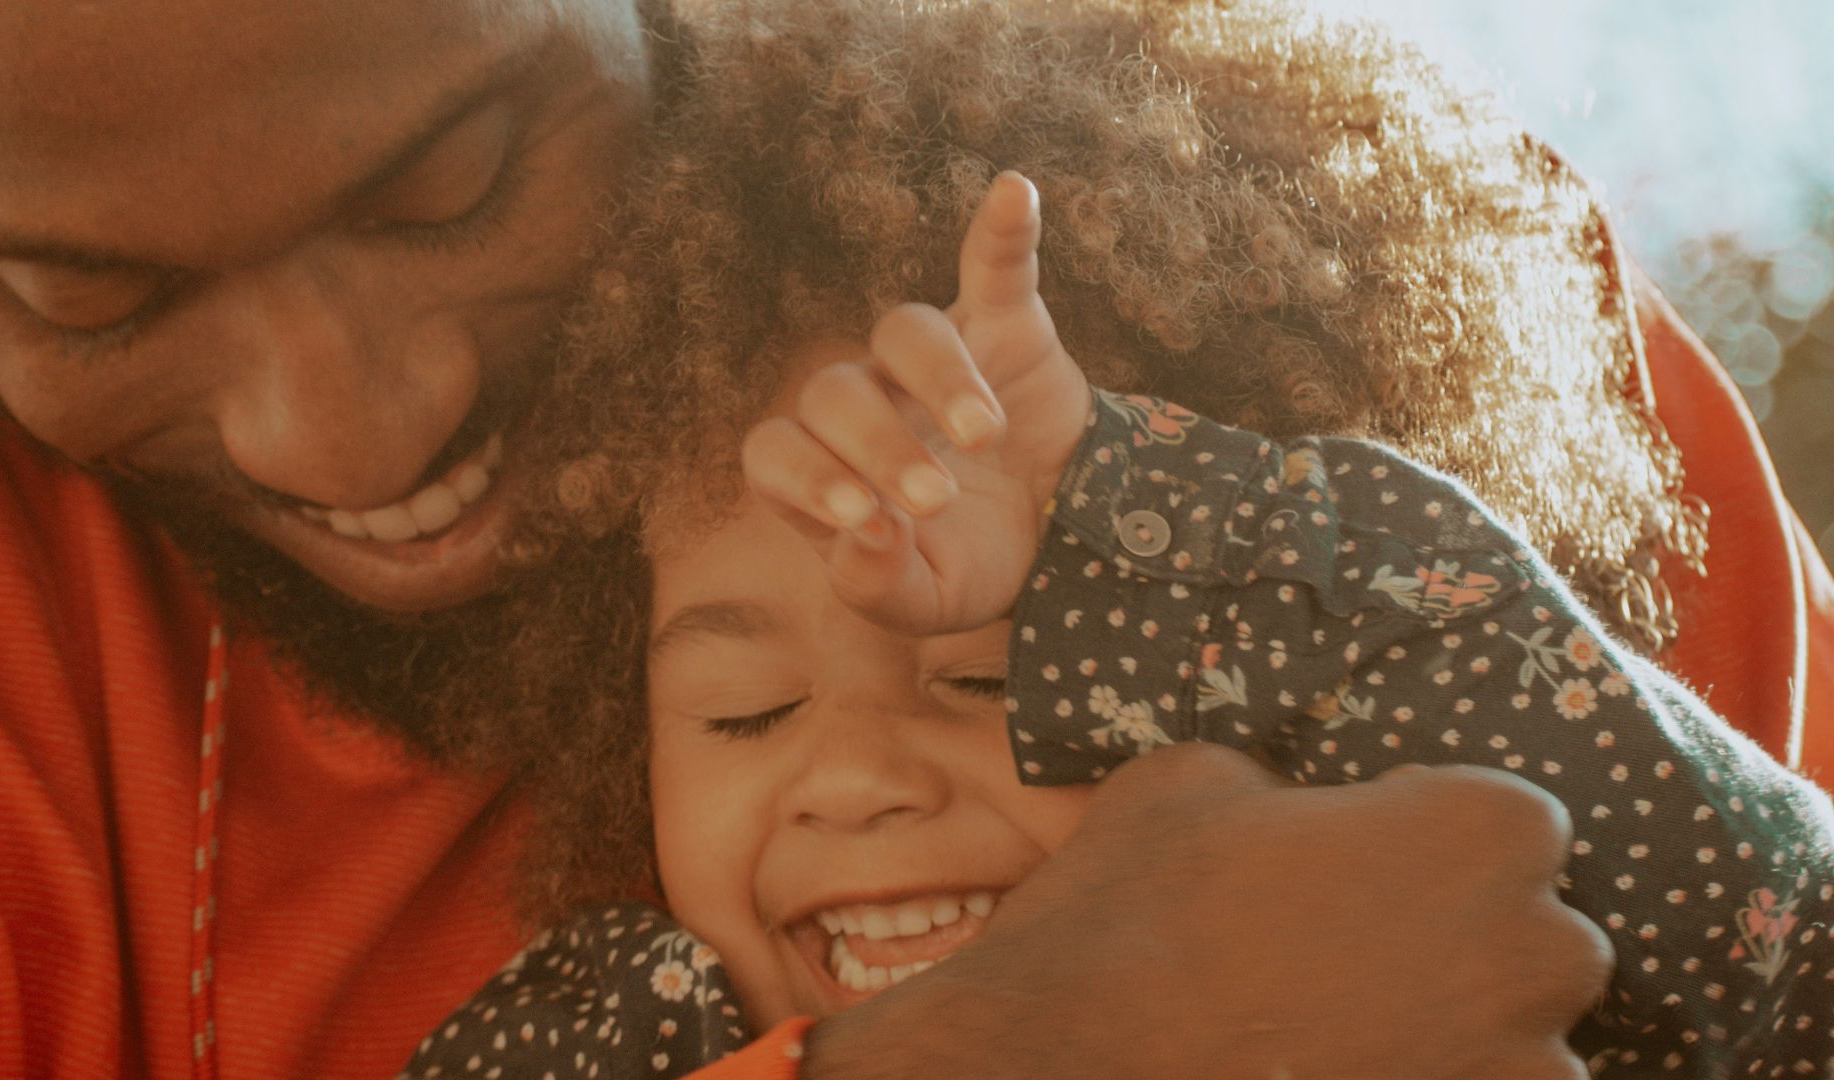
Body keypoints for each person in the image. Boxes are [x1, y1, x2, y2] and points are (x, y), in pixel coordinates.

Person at [0, 0, 1824, 1077]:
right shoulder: (610, 1022)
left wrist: (1178, 516)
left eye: (456, 186)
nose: (351, 427)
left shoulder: (1285, 269)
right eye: (83, 299)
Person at [401, 161, 1832, 1077]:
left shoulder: (1480, 964)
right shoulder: (616, 1030)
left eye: (987, 679)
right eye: (744, 713)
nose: (854, 780)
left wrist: (1149, 512)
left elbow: (1784, 947)